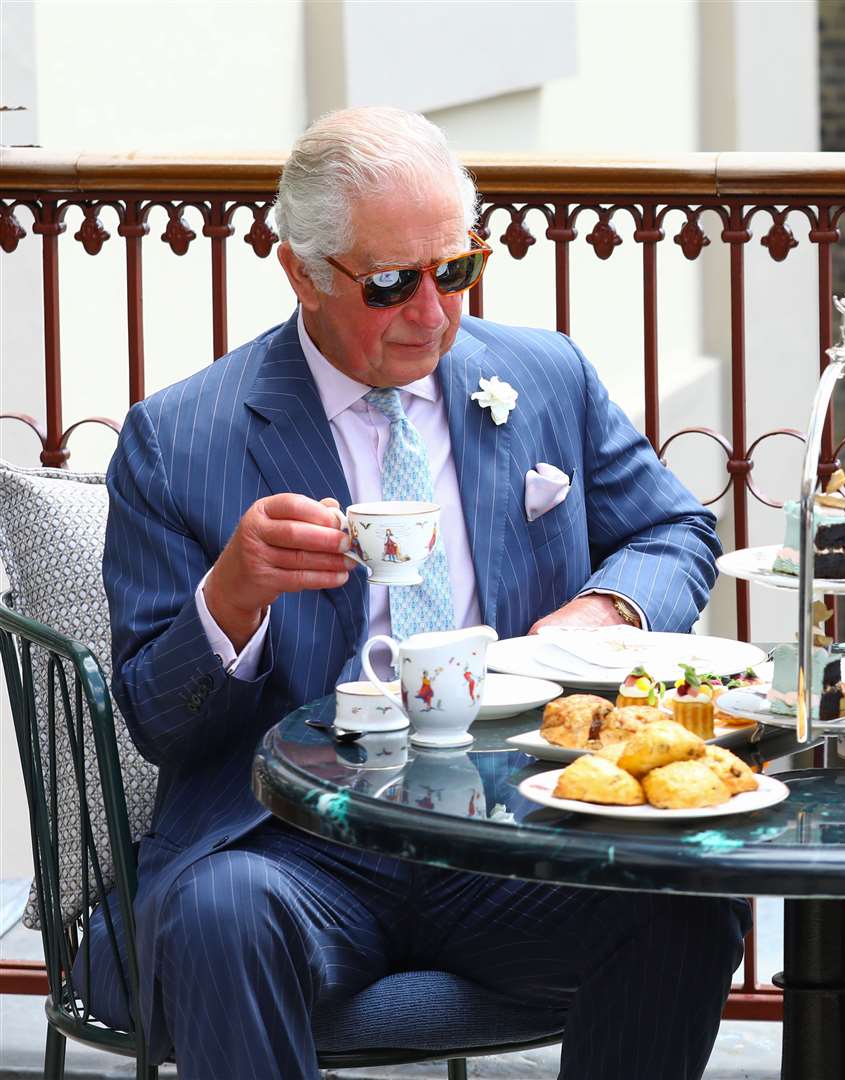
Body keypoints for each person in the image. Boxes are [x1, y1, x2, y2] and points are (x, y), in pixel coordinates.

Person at [102, 106, 744, 1079]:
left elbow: (673, 530)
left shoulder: (544, 376)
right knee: (221, 918)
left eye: (456, 269)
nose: (435, 312)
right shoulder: (179, 440)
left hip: (512, 830)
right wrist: (229, 599)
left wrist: (600, 614)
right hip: (295, 843)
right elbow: (158, 721)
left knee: (688, 899)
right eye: (393, 283)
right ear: (302, 274)